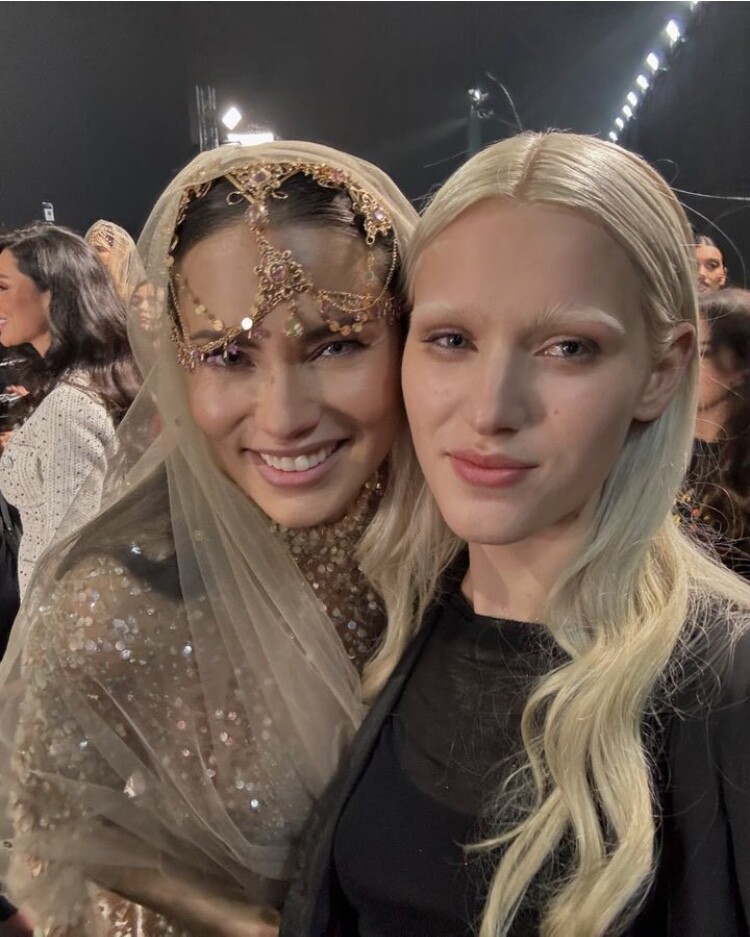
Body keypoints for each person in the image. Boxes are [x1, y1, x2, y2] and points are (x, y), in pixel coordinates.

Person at [284, 132, 750, 937]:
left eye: (568, 348)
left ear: (662, 370)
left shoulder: (727, 685)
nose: (492, 408)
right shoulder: (394, 616)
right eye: (452, 340)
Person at [0, 142, 417, 935]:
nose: (283, 414)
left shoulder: (469, 555)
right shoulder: (117, 595)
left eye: (335, 343)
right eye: (227, 354)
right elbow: (54, 815)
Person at [0, 225, 140, 596]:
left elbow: (68, 556)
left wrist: (41, 628)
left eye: (2, 287)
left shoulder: (70, 406)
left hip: (56, 612)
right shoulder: (86, 380)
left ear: (51, 295)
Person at [678, 287, 750, 575]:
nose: (679, 366)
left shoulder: (741, 470)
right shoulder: (654, 447)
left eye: (701, 353)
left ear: (741, 369)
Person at [85, 219, 143, 306]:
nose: (93, 253)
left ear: (122, 253)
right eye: (90, 249)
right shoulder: (86, 292)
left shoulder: (135, 294)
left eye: (100, 249)